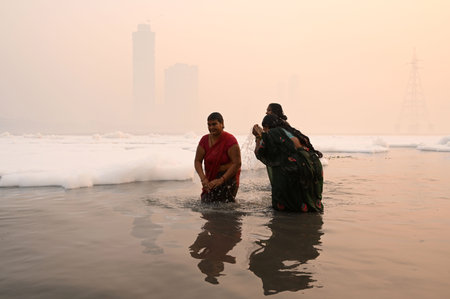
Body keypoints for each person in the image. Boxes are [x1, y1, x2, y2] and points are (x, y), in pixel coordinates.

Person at [252, 114, 323, 212]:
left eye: (264, 129)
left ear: (267, 127)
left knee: (288, 204)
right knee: (307, 197)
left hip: (295, 166)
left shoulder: (273, 133)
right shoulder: (290, 131)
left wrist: (258, 136)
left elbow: (259, 152)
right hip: (313, 164)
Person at [194, 112, 241, 203]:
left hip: (228, 180)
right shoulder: (204, 140)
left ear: (222, 124)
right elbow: (197, 161)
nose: (211, 127)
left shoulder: (230, 140)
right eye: (209, 125)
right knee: (206, 205)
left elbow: (237, 163)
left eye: (214, 124)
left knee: (225, 209)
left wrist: (221, 180)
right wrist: (203, 179)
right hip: (210, 179)